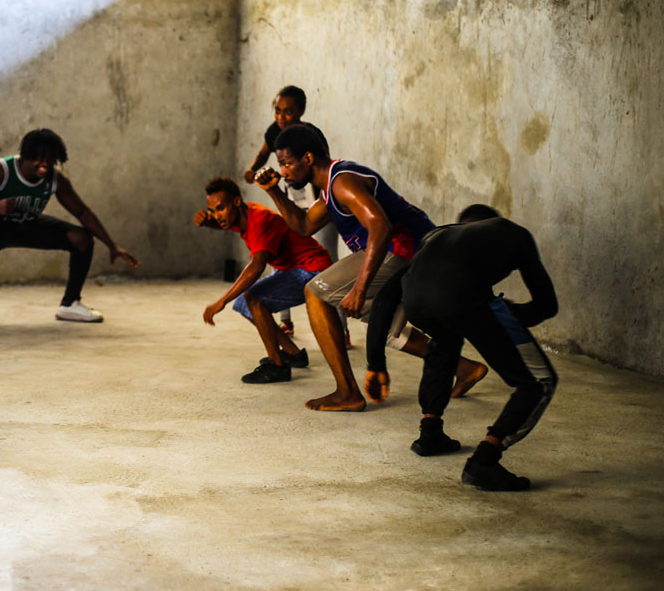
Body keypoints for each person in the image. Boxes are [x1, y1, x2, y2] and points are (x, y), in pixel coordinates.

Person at [255, 123, 487, 411]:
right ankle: (465, 368)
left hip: (407, 252)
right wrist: (274, 191)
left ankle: (347, 392)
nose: (284, 172)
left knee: (315, 293)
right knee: (384, 328)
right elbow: (303, 226)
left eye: (287, 163)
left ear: (309, 158)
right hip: (416, 255)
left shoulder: (342, 182)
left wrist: (359, 288)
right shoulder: (330, 189)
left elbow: (380, 227)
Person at [364, 204, 558, 491]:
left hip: (419, 304)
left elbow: (384, 299)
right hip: (462, 297)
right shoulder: (512, 233)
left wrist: (375, 364)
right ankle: (485, 460)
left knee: (446, 338)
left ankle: (430, 432)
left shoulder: (435, 237)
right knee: (539, 383)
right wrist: (506, 315)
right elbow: (546, 305)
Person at [0, 128, 139, 330]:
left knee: (81, 238)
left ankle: (70, 304)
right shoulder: (2, 171)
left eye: (50, 160)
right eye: (38, 160)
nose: (44, 165)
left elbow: (82, 212)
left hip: (28, 225)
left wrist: (112, 245)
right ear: (25, 156)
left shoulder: (55, 179)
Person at [194, 177, 330, 383]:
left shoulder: (259, 220)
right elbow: (224, 222)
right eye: (212, 211)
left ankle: (278, 366)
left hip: (313, 270)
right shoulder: (241, 215)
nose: (217, 215)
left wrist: (222, 301)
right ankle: (293, 353)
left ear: (236, 202)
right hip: (293, 268)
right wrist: (208, 222)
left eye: (220, 208)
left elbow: (256, 267)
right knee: (244, 303)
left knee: (254, 299)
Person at [241, 86, 343, 338]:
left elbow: (325, 169)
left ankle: (341, 328)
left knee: (328, 268)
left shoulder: (311, 136)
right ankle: (285, 321)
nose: (281, 116)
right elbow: (262, 153)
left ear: (301, 111)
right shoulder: (274, 132)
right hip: (292, 207)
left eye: (288, 111)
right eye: (277, 110)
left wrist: (325, 201)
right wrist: (252, 170)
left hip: (318, 206)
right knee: (280, 259)